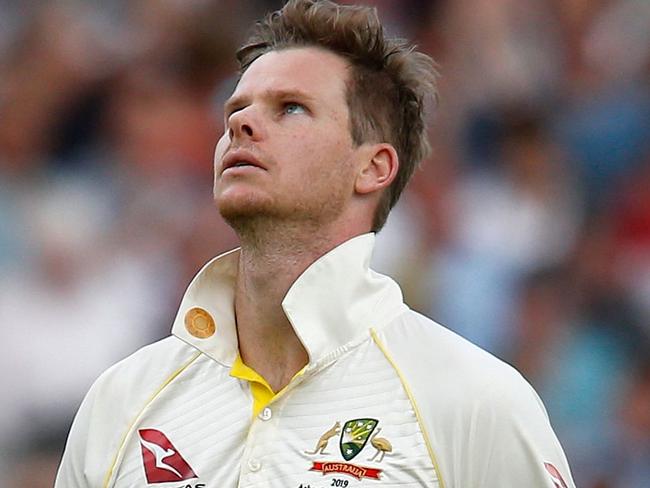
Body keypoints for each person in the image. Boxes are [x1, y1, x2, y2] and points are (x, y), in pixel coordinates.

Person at [55, 1, 575, 486]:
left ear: (373, 167)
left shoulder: (477, 401)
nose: (241, 122)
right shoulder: (121, 401)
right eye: (235, 110)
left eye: (291, 108)